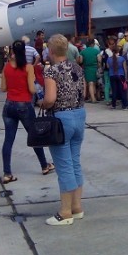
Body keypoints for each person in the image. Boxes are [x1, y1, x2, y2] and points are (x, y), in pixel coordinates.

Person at [40, 34, 87, 226]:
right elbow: (82, 91)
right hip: (79, 114)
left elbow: (50, 99)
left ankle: (65, 212)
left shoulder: (52, 72)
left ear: (50, 51)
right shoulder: (77, 67)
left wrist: (41, 103)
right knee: (75, 162)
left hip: (61, 119)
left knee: (64, 165)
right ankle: (77, 207)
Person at [0, 40, 54, 183]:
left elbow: (3, 88)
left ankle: (7, 172)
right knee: (34, 136)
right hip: (24, 104)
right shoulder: (28, 67)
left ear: (12, 51)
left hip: (9, 104)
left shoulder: (6, 67)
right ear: (24, 52)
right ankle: (44, 165)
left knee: (8, 140)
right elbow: (31, 89)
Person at [78, 37, 101, 103]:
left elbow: (81, 61)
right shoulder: (96, 51)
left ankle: (92, 98)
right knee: (93, 83)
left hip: (87, 68)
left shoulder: (83, 52)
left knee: (90, 83)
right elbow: (99, 60)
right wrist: (99, 66)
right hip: (94, 68)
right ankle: (93, 98)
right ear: (93, 44)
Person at [108, 44, 128, 110]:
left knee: (114, 91)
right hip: (120, 75)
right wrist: (126, 77)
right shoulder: (122, 59)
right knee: (122, 90)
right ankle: (124, 106)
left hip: (112, 75)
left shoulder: (109, 59)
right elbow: (125, 69)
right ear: (118, 51)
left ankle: (113, 105)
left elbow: (108, 67)